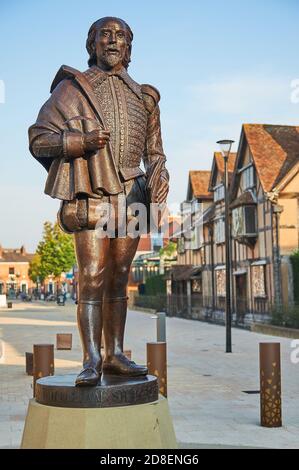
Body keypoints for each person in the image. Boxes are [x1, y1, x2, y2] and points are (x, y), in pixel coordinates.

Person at [29, 17, 169, 386]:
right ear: (92, 44)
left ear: (129, 48)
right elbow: (38, 139)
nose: (113, 41)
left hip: (133, 194)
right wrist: (77, 144)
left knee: (120, 279)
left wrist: (160, 175)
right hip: (92, 190)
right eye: (105, 34)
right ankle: (90, 357)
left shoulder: (145, 97)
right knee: (92, 276)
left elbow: (154, 152)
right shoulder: (72, 90)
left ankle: (115, 354)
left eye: (121, 36)